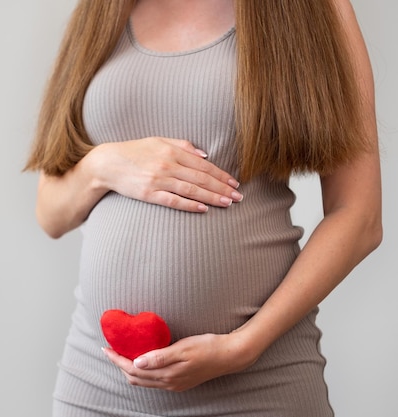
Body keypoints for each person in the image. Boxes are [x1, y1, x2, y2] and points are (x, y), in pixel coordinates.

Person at [25, 0, 382, 415]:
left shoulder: (314, 7)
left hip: (258, 382)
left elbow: (360, 217)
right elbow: (50, 214)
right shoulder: (105, 9)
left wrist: (242, 347)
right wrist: (102, 167)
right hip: (97, 381)